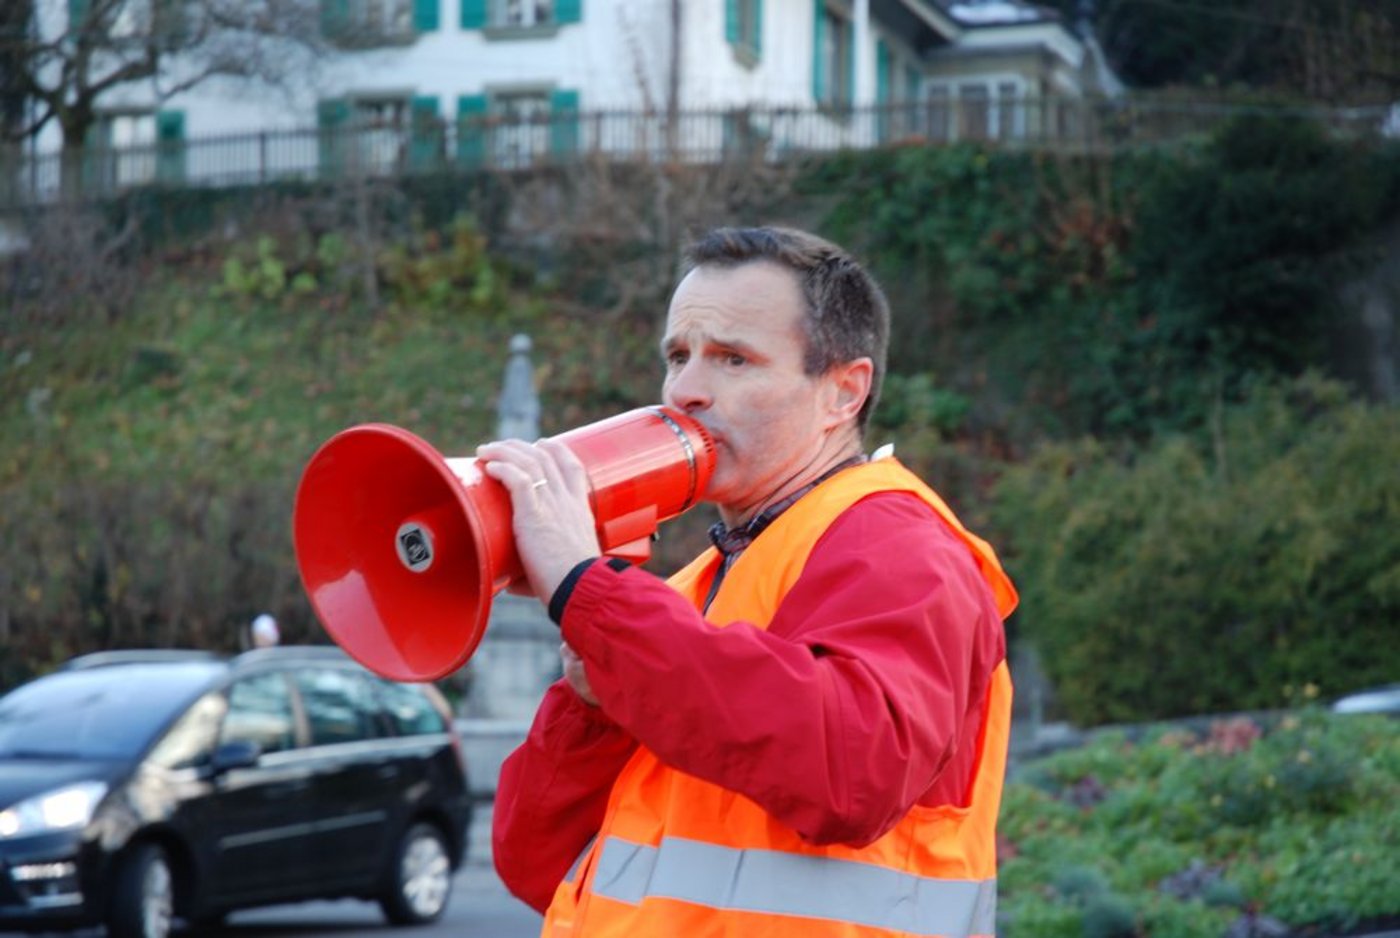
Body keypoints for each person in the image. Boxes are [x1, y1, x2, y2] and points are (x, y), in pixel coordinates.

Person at [476, 226, 1018, 937]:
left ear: (842, 393)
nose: (686, 390)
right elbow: (537, 864)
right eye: (678, 356)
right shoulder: (687, 587)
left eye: (733, 359)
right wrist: (595, 702)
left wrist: (589, 590)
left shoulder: (902, 547)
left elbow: (852, 773)